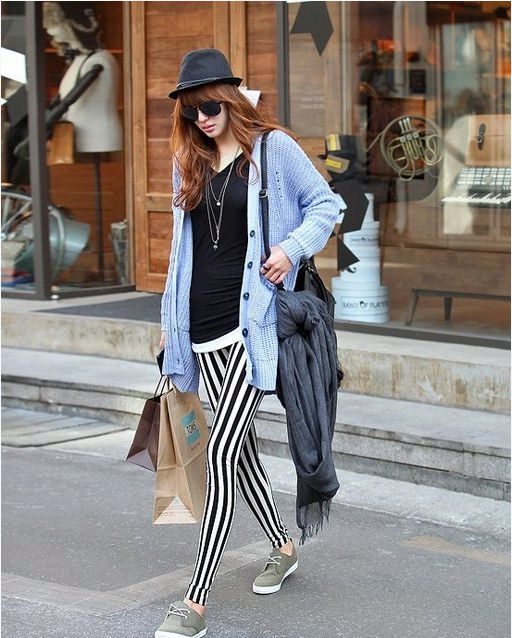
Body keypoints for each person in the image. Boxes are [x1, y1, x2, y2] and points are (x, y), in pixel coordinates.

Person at [156, 48, 340, 638]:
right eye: (191, 111)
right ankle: (283, 546)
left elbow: (327, 204)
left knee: (218, 454)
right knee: (241, 455)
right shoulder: (190, 160)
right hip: (199, 331)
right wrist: (171, 327)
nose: (202, 119)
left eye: (209, 107)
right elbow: (182, 254)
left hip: (249, 329)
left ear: (231, 99)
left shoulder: (273, 150)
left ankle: (195, 603)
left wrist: (290, 249)